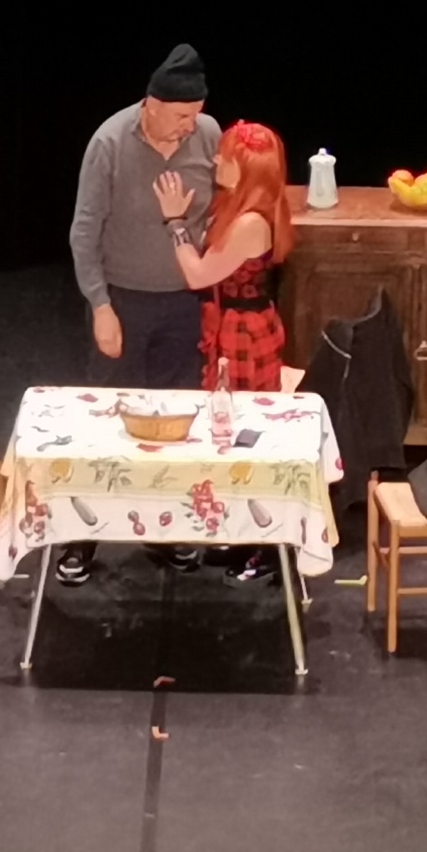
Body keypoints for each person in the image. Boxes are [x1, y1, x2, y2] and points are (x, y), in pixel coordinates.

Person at [62, 43, 220, 584]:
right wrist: (100, 305)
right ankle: (81, 536)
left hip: (184, 304)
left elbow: (224, 207)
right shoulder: (110, 142)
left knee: (176, 423)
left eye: (195, 115)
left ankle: (167, 529)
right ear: (150, 105)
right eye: (179, 116)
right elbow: (85, 231)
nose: (188, 127)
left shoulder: (208, 136)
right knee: (110, 421)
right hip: (124, 300)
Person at [155, 119, 297, 582]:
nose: (217, 159)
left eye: (227, 155)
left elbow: (199, 274)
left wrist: (174, 223)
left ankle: (266, 544)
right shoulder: (237, 207)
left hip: (244, 333)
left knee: (244, 432)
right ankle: (244, 533)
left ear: (247, 167)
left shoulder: (252, 222)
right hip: (232, 324)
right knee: (231, 428)